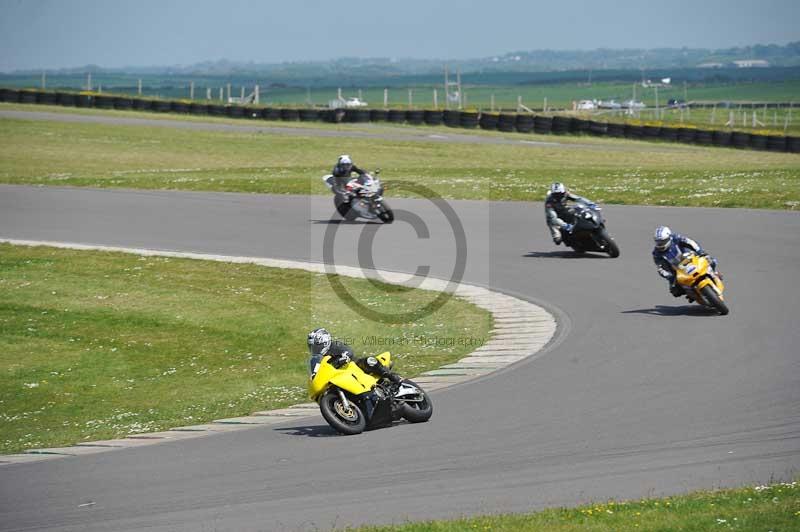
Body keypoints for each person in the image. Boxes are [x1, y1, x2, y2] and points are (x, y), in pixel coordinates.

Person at [307, 328, 402, 383]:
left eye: (316, 346)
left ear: (324, 341)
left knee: (369, 361)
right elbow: (315, 372)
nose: (315, 349)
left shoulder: (335, 345)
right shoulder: (317, 359)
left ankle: (391, 376)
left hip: (354, 366)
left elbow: (348, 351)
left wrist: (343, 358)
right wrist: (313, 377)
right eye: (312, 347)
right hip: (338, 377)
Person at [652, 226, 720, 297]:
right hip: (676, 270)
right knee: (675, 291)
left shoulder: (676, 238)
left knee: (711, 261)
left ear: (669, 237)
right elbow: (660, 268)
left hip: (689, 258)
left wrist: (700, 252)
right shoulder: (656, 253)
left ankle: (714, 273)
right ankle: (691, 294)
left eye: (663, 241)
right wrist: (670, 276)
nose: (660, 244)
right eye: (658, 242)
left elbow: (690, 242)